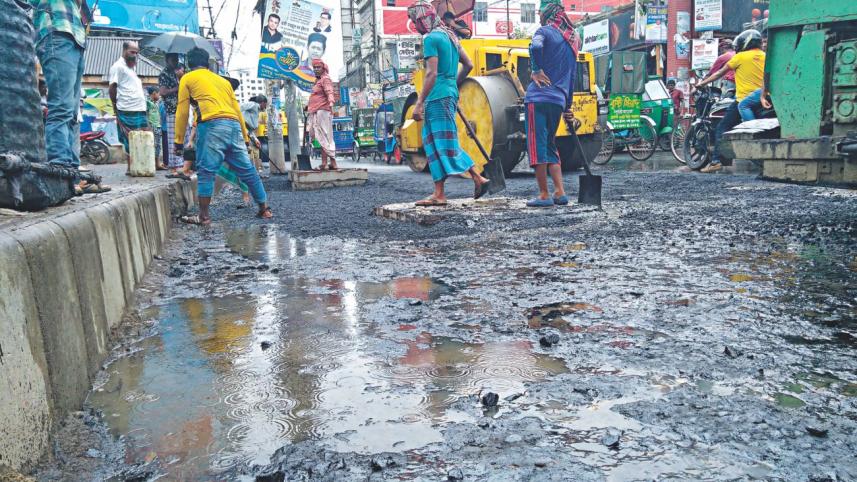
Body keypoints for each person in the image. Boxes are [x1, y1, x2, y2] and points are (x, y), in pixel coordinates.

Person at [173, 47, 272, 225]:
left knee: (206, 172)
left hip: (211, 125)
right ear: (207, 64)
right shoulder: (223, 82)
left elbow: (181, 111)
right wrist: (246, 138)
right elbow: (237, 111)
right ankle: (264, 209)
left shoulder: (187, 78)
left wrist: (178, 141)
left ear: (189, 64)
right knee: (248, 171)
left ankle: (203, 216)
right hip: (234, 125)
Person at [407, 1, 489, 206]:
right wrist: (453, 85)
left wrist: (419, 103)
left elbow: (431, 73)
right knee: (434, 142)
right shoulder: (450, 36)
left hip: (437, 97)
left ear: (422, 19)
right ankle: (439, 193)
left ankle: (478, 178)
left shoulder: (431, 38)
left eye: (415, 21)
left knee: (444, 143)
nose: (415, 26)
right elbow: (468, 65)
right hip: (448, 94)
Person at [523, 0, 579, 207]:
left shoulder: (544, 31)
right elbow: (572, 76)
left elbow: (535, 46)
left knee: (537, 146)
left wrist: (536, 69)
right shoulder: (574, 38)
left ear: (547, 13)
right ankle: (560, 192)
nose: (538, 16)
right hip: (558, 100)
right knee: (549, 145)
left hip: (537, 98)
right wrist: (568, 106)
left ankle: (544, 195)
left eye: (539, 12)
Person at [695, 29, 765, 173]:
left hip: (743, 99)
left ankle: (715, 161)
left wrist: (702, 83)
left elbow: (719, 73)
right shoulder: (765, 56)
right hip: (763, 98)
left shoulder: (740, 57)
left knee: (722, 127)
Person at [31, 0, 86, 169]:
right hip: (56, 31)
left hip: (75, 37)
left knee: (72, 113)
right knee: (62, 107)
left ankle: (72, 172)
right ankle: (60, 165)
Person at [109, 41, 149, 171]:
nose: (135, 55)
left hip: (139, 108)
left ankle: (142, 166)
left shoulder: (132, 68)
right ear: (124, 50)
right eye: (132, 52)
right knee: (129, 139)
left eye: (137, 53)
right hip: (127, 108)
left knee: (143, 137)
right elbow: (112, 87)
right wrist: (114, 105)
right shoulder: (118, 67)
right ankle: (131, 167)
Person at [307, 59, 337, 170]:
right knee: (322, 137)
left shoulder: (325, 79)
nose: (316, 69)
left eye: (318, 67)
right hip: (317, 111)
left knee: (325, 136)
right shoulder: (318, 81)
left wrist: (331, 103)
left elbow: (329, 92)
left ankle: (330, 163)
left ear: (323, 68)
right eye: (314, 67)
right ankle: (326, 163)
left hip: (323, 111)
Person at [158, 53, 186, 175]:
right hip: (171, 109)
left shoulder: (175, 73)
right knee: (173, 139)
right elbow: (163, 92)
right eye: (173, 59)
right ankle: (174, 167)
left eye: (176, 59)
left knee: (182, 137)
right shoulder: (164, 74)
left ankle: (182, 165)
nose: (175, 62)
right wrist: (177, 88)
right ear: (167, 60)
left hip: (180, 108)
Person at [240, 95, 267, 175]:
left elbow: (250, 129)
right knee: (248, 151)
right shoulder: (253, 105)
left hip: (249, 132)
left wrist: (255, 139)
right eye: (265, 104)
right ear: (262, 103)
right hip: (243, 129)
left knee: (256, 149)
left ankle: (255, 172)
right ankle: (248, 173)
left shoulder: (257, 110)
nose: (265, 106)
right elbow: (240, 108)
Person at [146, 86, 164, 169]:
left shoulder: (157, 102)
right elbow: (146, 115)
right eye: (158, 94)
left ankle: (157, 164)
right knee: (152, 145)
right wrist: (148, 127)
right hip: (152, 126)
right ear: (154, 93)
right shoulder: (148, 102)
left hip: (157, 126)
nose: (159, 96)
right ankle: (153, 164)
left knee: (157, 146)